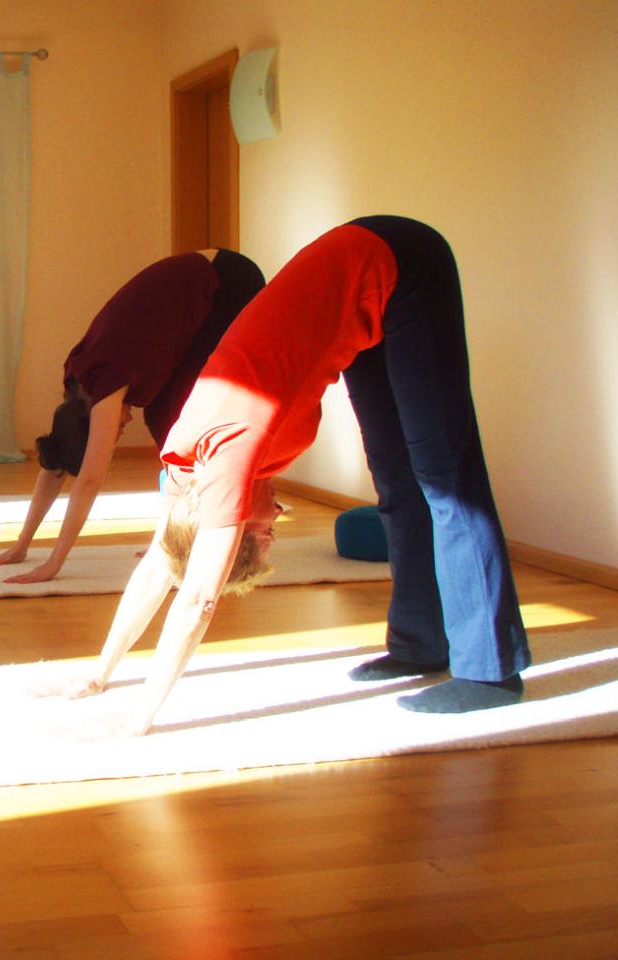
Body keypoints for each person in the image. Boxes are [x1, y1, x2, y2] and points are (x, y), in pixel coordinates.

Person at [64, 216, 531, 731]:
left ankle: (491, 673)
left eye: (264, 533)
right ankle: (419, 643)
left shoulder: (228, 454)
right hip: (360, 292)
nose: (276, 523)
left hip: (399, 259)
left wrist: (141, 717)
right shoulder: (184, 471)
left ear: (235, 519)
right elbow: (160, 569)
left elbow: (197, 597)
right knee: (397, 482)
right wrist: (100, 674)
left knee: (446, 480)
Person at [0, 249, 265, 583]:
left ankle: (207, 535)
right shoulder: (76, 381)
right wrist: (21, 545)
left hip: (229, 280)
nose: (121, 428)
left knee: (173, 422)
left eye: (112, 431)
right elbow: (54, 459)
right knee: (167, 422)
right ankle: (175, 538)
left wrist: (54, 564)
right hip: (206, 277)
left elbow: (89, 481)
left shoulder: (106, 382)